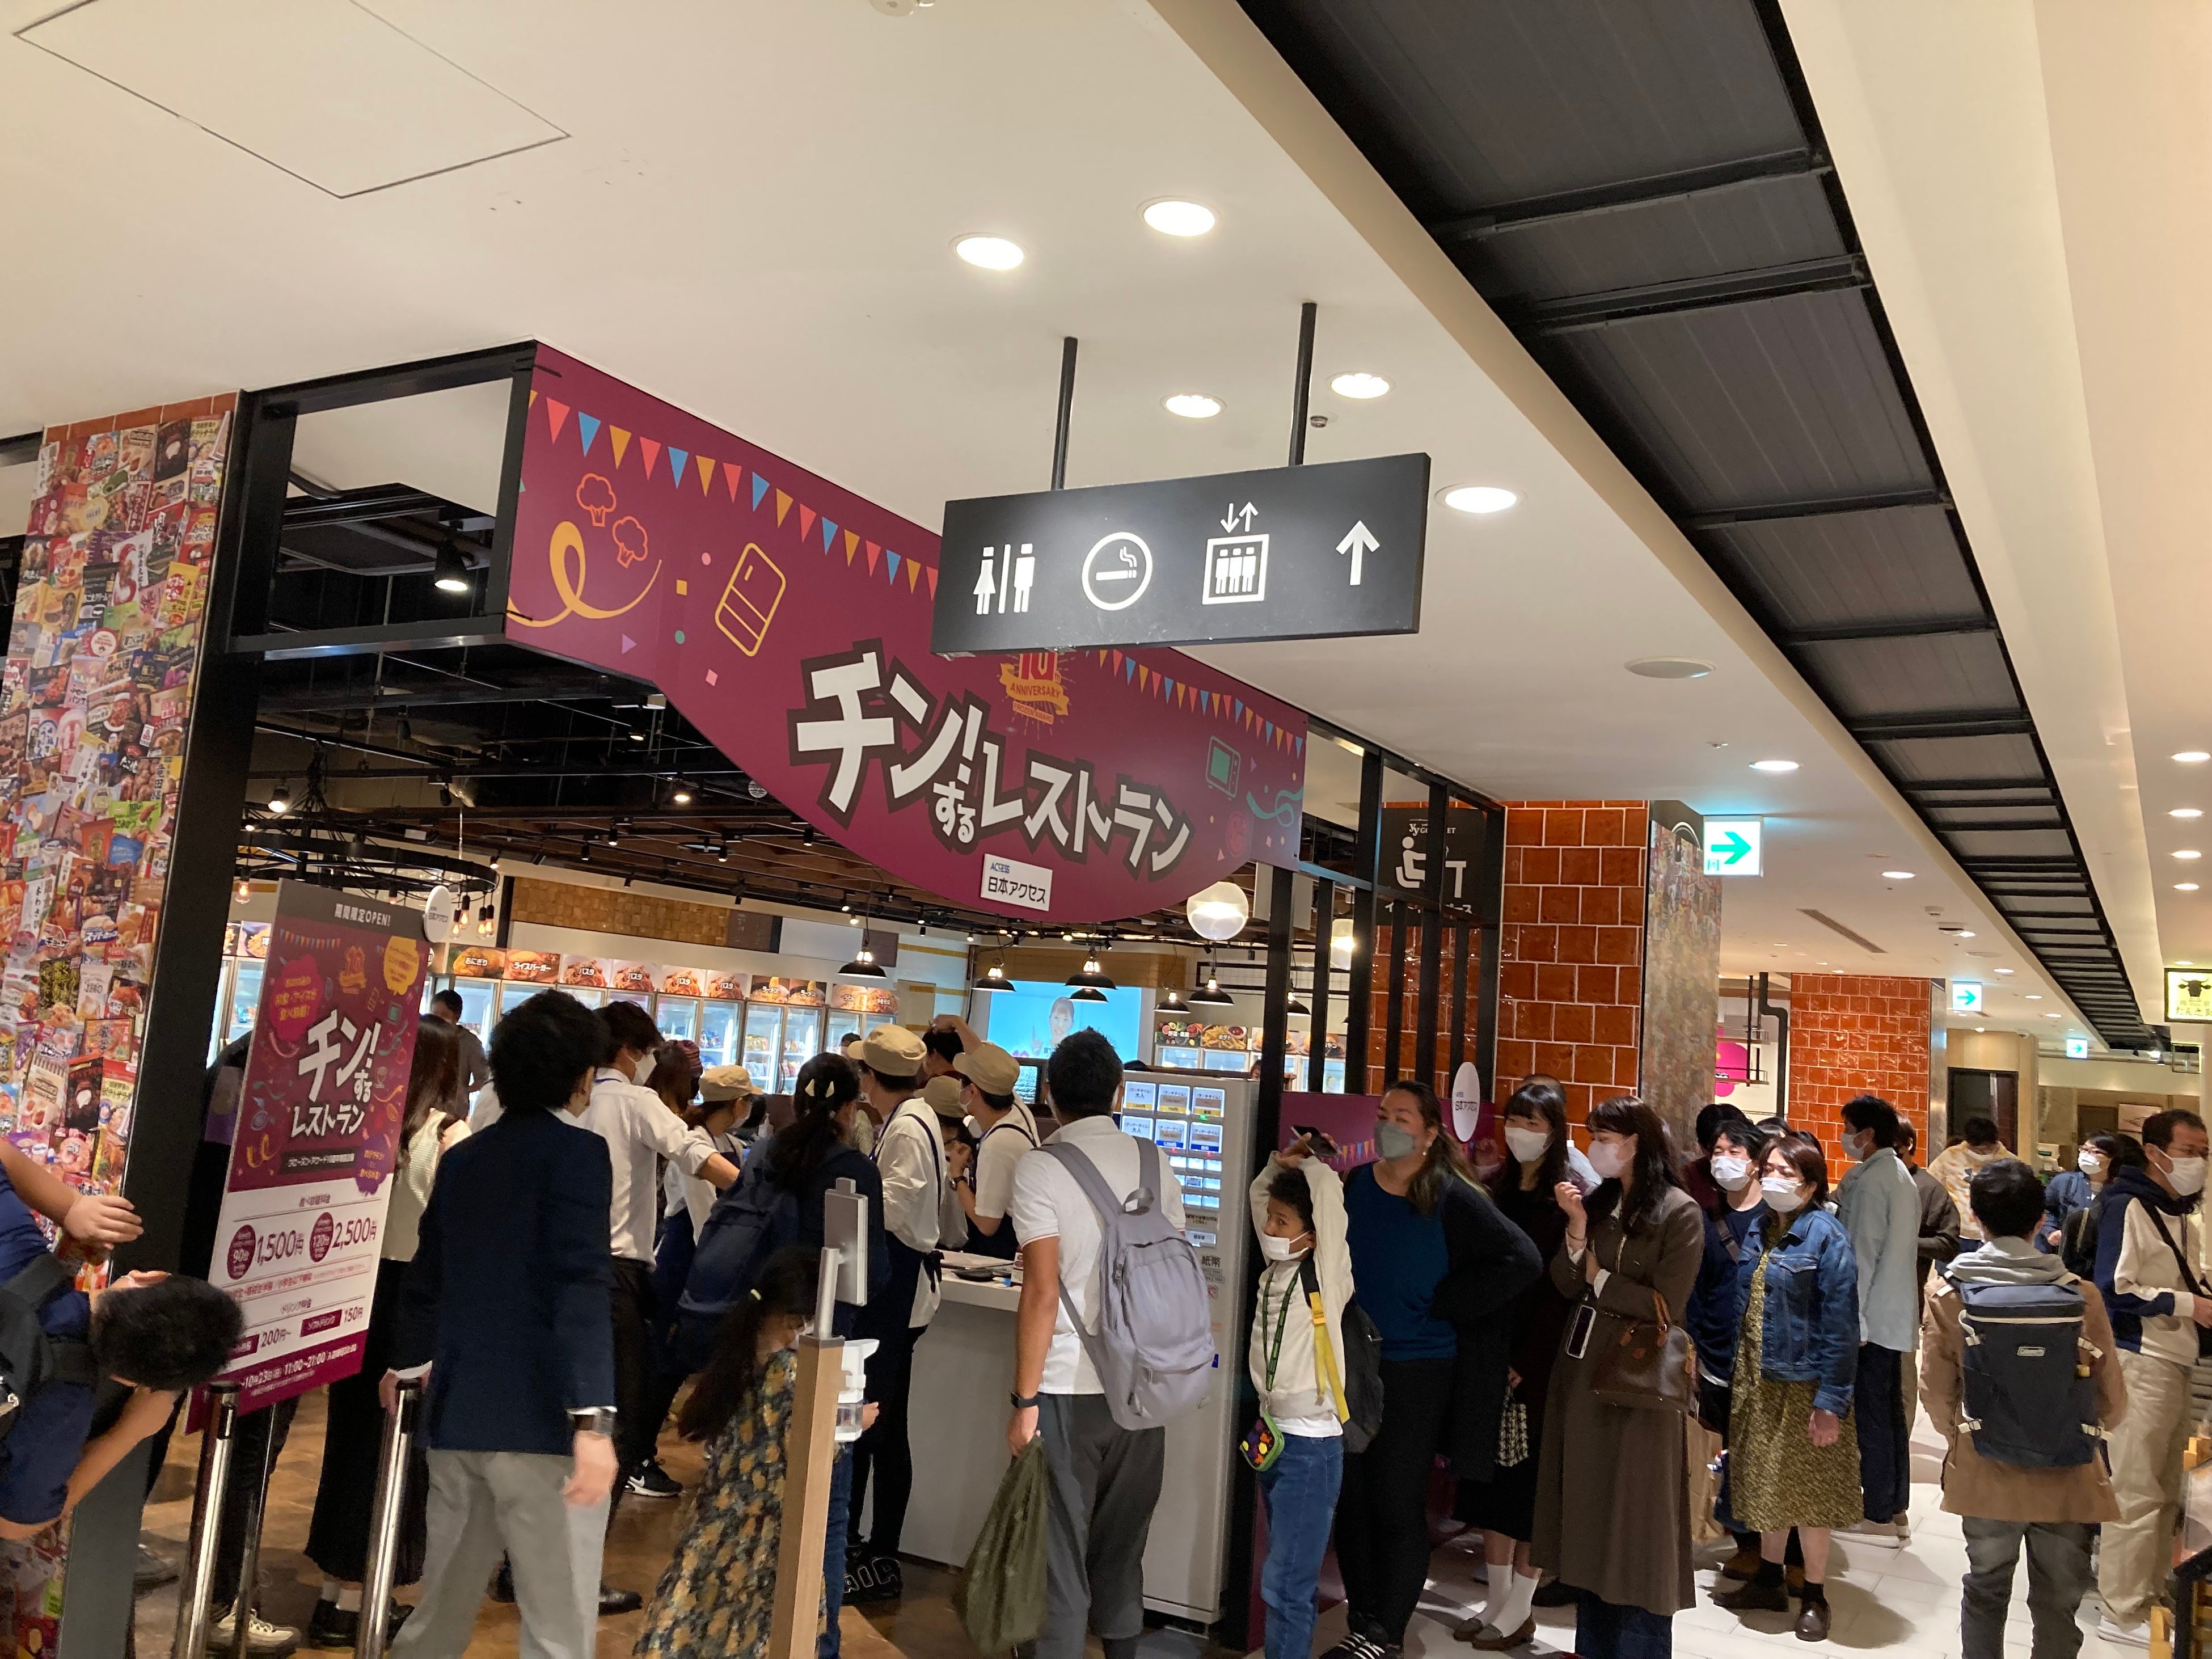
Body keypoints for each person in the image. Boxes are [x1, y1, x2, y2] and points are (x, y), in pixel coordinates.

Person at [385, 989, 619, 1659]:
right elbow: (579, 1286)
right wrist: (593, 1419)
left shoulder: (466, 1157)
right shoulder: (580, 1155)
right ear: (580, 1076)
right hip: (545, 1424)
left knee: (439, 1613)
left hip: (459, 1414)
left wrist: (406, 1365)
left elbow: (426, 1278)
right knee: (556, 1628)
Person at [1331, 1081, 1540, 1659]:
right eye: (1383, 1114)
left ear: (1428, 1133)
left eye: (1401, 1117)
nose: (1387, 1124)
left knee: (1396, 1500)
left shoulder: (1450, 1195)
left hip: (1417, 1367)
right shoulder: (1357, 1184)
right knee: (1352, 1500)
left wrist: (1445, 1302)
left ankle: (1388, 1632)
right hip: (1354, 1364)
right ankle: (1363, 1618)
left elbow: (1520, 1259)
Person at [1006, 1029, 1187, 1659]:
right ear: (1120, 1092)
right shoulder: (1154, 1161)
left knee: (1059, 1555)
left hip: (1065, 1388)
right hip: (1143, 1388)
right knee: (1122, 1549)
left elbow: (1041, 1293)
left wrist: (1023, 1401)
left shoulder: (1041, 1167)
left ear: (1050, 1095)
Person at [303, 1019, 471, 1647]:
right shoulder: (450, 1135)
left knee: (349, 1442)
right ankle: (359, 1599)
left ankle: (334, 1594)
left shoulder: (365, 1127)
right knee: (395, 1453)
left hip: (354, 1290)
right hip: (415, 1301)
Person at [1923, 1158, 2126, 1659]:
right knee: (2058, 1600)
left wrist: (1966, 1436)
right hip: (2067, 1468)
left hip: (1986, 1466)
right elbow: (2113, 1400)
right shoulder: (2080, 1296)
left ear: (1976, 1218)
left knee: (1986, 1586)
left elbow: (1936, 1392)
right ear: (2040, 1221)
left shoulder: (1951, 1295)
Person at [1532, 1095, 1705, 1659]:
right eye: (1595, 1136)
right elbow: (1566, 1282)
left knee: (1638, 1526)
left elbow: (1666, 1304)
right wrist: (1577, 1232)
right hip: (1582, 1377)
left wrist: (1601, 1280)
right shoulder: (1600, 1202)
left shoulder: (1680, 1212)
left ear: (1636, 1144)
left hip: (1640, 1387)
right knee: (1589, 1520)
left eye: (1606, 1137)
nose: (1596, 1147)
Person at [637, 1247, 871, 1659]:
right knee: (751, 1633)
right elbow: (808, 1451)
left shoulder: (736, 1356)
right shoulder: (790, 1375)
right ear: (795, 1318)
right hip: (763, 1535)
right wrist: (853, 1421)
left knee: (692, 1623)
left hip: (715, 1520)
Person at [1710, 1137, 1860, 1643]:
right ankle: (1769, 1579)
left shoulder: (1827, 1236)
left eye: (1787, 1172)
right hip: (1759, 1379)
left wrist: (1831, 1401)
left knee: (1812, 1494)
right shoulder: (1761, 1226)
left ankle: (1815, 1593)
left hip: (1806, 1384)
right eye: (1769, 1168)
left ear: (1811, 1185)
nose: (1773, 1178)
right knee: (1768, 1483)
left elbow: (1842, 1326)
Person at [1456, 1076, 1581, 1648]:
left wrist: (1527, 1360)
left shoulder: (1567, 1197)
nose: (1521, 1132)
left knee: (1529, 1490)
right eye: (1515, 1120)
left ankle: (1522, 1605)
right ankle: (1499, 1600)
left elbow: (1564, 1293)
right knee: (1489, 1486)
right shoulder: (1494, 1188)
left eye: (1534, 1123)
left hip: (1538, 1367)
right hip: (1489, 1354)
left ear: (1554, 1132)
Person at [845, 1025, 961, 1603]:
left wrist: (848, 1203)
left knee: (883, 1426)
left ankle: (881, 1553)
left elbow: (893, 1209)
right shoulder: (911, 1119)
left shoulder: (909, 1128)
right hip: (893, 1284)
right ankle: (866, 1546)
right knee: (881, 1424)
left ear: (870, 1077)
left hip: (897, 1286)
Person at [2091, 1107, 2210, 1646]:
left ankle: (2152, 1593)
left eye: (2205, 1153)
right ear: (2155, 1152)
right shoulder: (2127, 1204)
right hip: (2139, 1360)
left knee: (2164, 1491)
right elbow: (2113, 1288)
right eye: (2189, 1151)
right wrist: (2190, 1304)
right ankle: (2121, 1609)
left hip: (2175, 1358)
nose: (2198, 1162)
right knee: (2136, 1489)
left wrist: (2195, 1298)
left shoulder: (2181, 1211)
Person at [1248, 1139, 1352, 1659]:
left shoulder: (1325, 1274)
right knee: (1286, 1579)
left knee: (1286, 1583)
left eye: (1282, 1221)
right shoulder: (1275, 1270)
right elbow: (1259, 1197)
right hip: (1275, 1438)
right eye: (1270, 1218)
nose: (1269, 1228)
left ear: (1311, 1235)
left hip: (1310, 1448)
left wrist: (1312, 1163)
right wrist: (1278, 1165)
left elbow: (1328, 1200)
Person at [1833, 1095, 1922, 1542]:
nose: (1845, 1136)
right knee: (1888, 1414)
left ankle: (1877, 1511)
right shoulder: (1898, 1174)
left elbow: (1862, 1256)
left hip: (1872, 1319)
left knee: (1871, 1416)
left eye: (1849, 1128)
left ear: (1867, 1134)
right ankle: (1893, 1505)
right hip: (1890, 1316)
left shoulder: (1872, 1182)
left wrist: (1857, 1323)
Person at [1685, 1118, 1769, 1581]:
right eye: (1718, 1150)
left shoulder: (1774, 1217)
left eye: (1735, 1151)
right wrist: (1694, 1347)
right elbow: (1695, 1289)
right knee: (1731, 1449)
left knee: (1764, 1450)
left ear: (1756, 1161)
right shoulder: (1705, 1216)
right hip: (1717, 1352)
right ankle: (1747, 1543)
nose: (1724, 1159)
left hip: (1766, 1355)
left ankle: (1785, 1551)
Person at [949, 1041, 1037, 1260]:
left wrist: (957, 1175)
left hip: (1003, 1255)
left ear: (972, 1091)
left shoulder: (999, 1143)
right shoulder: (1016, 1114)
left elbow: (987, 1224)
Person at [1930, 1117, 2013, 1242]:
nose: (1982, 1153)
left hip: (1996, 1233)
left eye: (1987, 1148)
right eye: (1978, 1150)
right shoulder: (1950, 1157)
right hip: (1957, 1231)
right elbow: (1932, 1188)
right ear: (1969, 1143)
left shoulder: (2009, 1162)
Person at [2040, 1132, 2121, 1253]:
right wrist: (2050, 1231)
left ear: (2112, 1159)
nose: (2087, 1155)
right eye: (2085, 1149)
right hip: (2065, 1254)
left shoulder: (2118, 1189)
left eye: (2096, 1152)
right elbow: (2046, 1210)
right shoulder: (2064, 1182)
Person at [426, 988, 489, 1114]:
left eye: (444, 1015)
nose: (438, 1020)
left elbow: (483, 1079)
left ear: (457, 1016)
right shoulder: (426, 1035)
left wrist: (463, 1091)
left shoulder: (470, 1042)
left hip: (452, 1111)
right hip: (424, 1107)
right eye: (435, 1014)